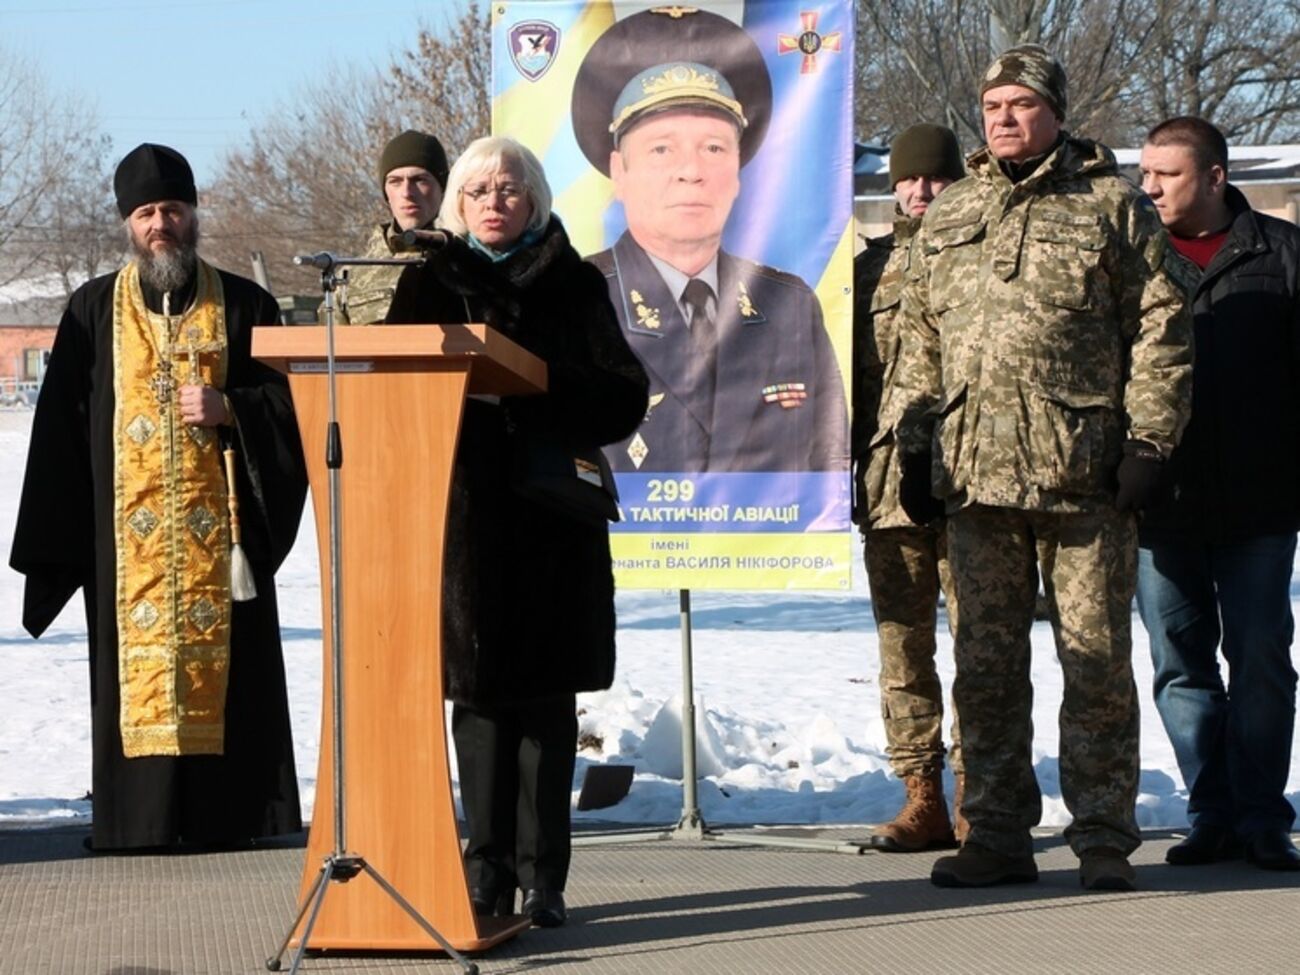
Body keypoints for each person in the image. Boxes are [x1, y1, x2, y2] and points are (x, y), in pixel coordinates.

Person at [892, 46, 1195, 891]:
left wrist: (1150, 442)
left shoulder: (1111, 207)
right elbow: (918, 341)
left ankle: (1101, 835)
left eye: (1021, 104)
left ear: (1055, 111)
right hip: (975, 479)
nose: (1003, 119)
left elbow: (1162, 327)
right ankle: (995, 833)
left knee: (1095, 663)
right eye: (992, 106)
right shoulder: (951, 215)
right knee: (985, 669)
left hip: (1084, 477)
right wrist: (912, 444)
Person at [9, 143, 308, 852]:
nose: (160, 224)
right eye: (145, 213)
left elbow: (291, 404)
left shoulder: (245, 303)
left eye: (172, 209)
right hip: (127, 550)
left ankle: (229, 815)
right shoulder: (90, 312)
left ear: (194, 213)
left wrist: (232, 407)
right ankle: (138, 821)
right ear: (127, 224)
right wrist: (61, 542)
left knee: (230, 676)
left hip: (223, 542)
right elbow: (59, 428)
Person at [385, 136, 649, 926]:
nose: (493, 202)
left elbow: (622, 395)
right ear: (456, 206)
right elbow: (391, 386)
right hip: (462, 521)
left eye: (508, 189)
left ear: (533, 200)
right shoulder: (428, 281)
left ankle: (545, 880)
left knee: (544, 706)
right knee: (478, 705)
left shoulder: (573, 282)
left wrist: (533, 383)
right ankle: (483, 875)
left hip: (549, 526)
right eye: (478, 192)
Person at [571, 6, 847, 473]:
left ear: (738, 170)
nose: (691, 172)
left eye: (713, 148)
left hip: (763, 544)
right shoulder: (578, 296)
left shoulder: (790, 306)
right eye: (662, 149)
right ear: (620, 172)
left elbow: (828, 461)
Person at [1135, 116, 1300, 871]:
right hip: (1160, 500)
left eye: (1165, 174)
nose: (1150, 186)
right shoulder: (1130, 256)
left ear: (1214, 176)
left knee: (1262, 656)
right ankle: (1212, 810)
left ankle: (1265, 815)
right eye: (1145, 173)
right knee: (1180, 663)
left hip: (1261, 500)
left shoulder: (1283, 252)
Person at [854, 123, 966, 852]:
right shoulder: (864, 272)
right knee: (903, 649)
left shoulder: (980, 258)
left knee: (985, 648)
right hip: (889, 481)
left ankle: (983, 794)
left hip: (970, 480)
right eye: (909, 179)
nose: (921, 191)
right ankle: (921, 793)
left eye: (935, 178)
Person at [336, 129, 449, 324]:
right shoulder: (351, 277)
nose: (407, 192)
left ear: (442, 187)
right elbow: (330, 350)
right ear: (386, 193)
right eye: (395, 182)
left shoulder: (470, 264)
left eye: (419, 180)